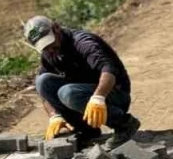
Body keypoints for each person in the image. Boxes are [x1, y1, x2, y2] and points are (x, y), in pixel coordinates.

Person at [24, 15, 141, 150]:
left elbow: (109, 71)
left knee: (67, 93)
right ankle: (87, 131)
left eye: (50, 43)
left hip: (114, 94)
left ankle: (124, 124)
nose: (49, 49)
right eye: (44, 47)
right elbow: (42, 90)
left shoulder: (82, 42)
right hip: (83, 94)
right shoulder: (49, 53)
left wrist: (98, 98)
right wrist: (54, 115)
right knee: (42, 81)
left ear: (56, 29)